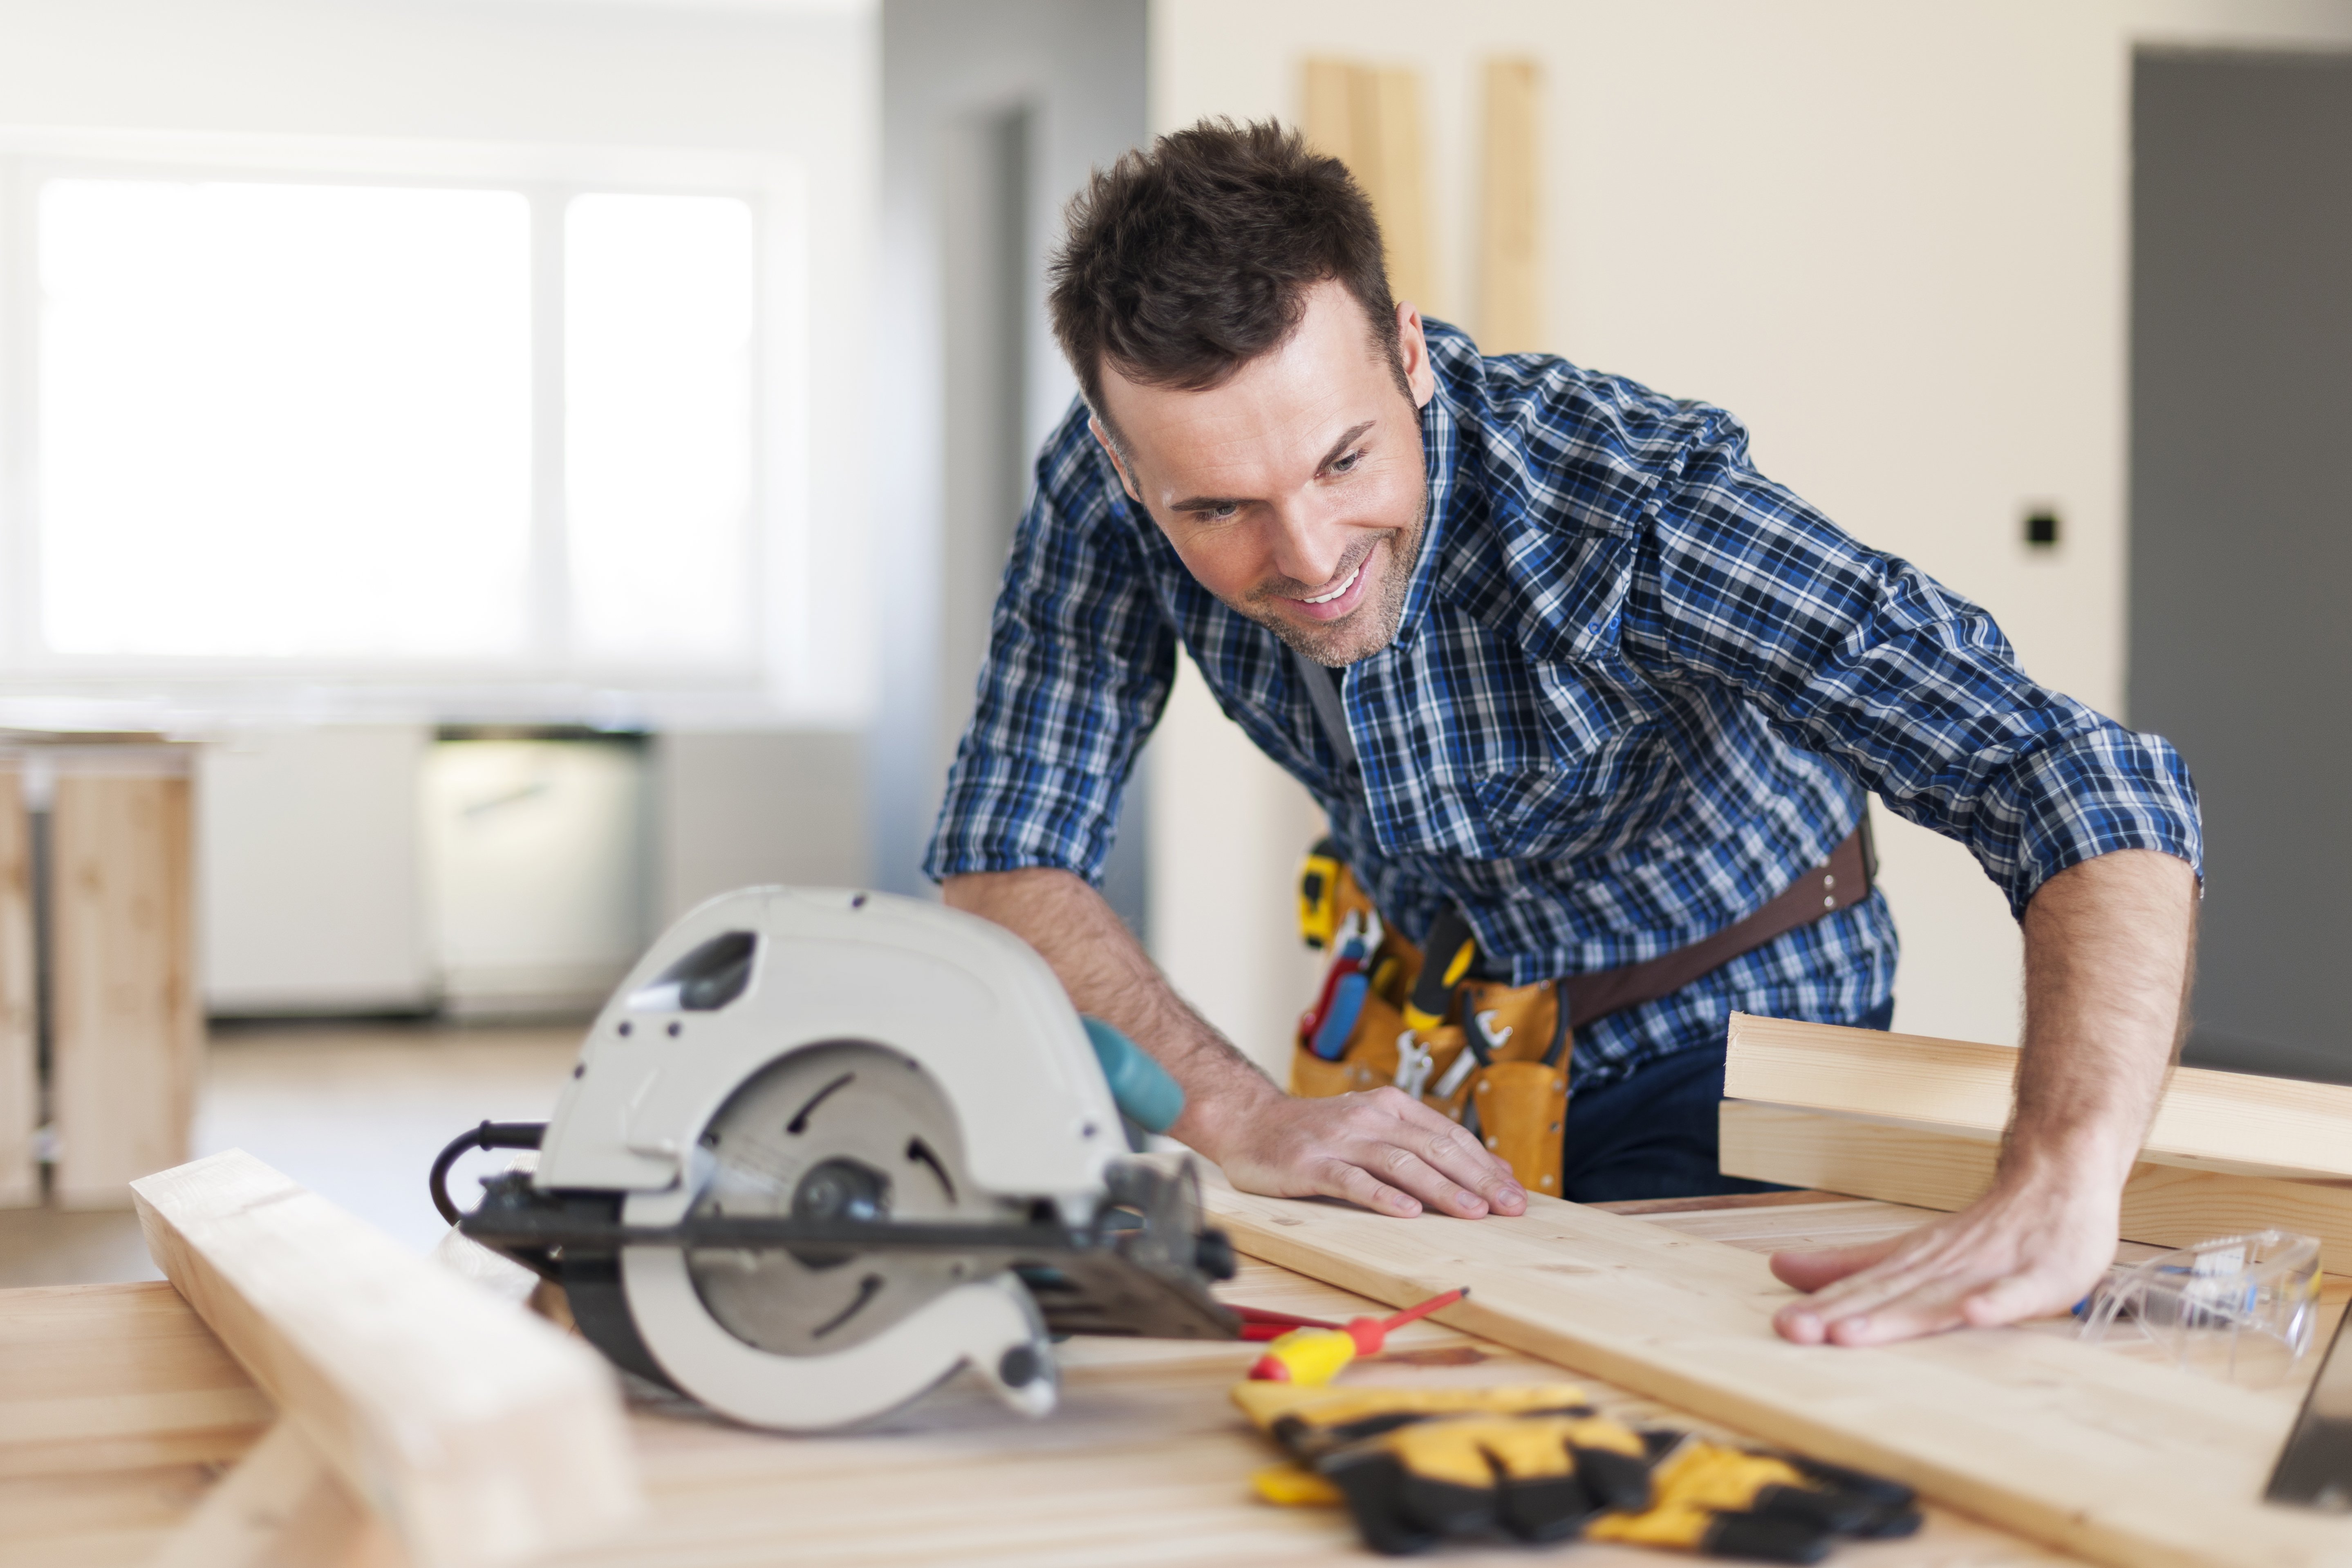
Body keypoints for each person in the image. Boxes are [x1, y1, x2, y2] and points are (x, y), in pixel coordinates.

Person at [924, 120, 2200, 1348]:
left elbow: (2066, 775)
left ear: (1409, 354)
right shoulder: (1101, 491)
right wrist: (1241, 1113)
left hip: (1730, 1014)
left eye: (1344, 462)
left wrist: (2061, 1172)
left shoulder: (1628, 506)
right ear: (1121, 455)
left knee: (1669, 1375)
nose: (1307, 556)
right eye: (1219, 508)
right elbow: (1005, 860)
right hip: (1465, 1025)